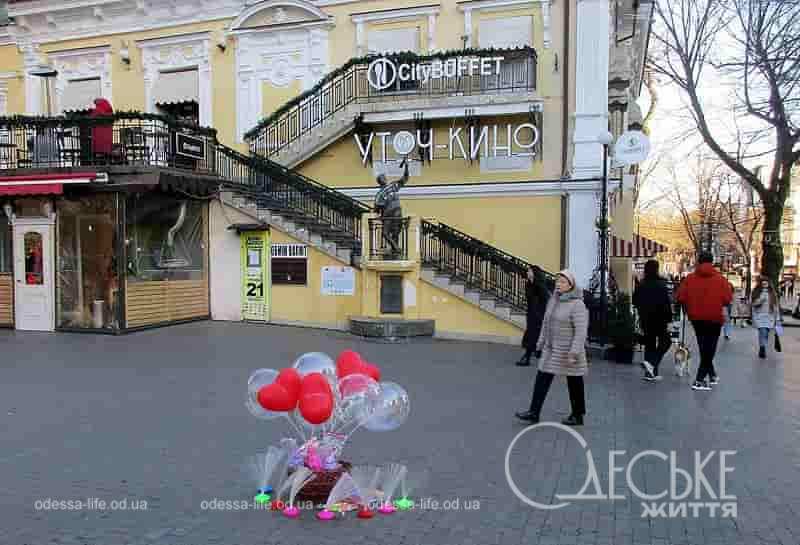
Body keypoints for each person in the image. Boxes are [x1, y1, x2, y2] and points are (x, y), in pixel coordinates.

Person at [515, 270, 589, 426]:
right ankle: (534, 412)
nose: (559, 285)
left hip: (569, 351)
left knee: (574, 382)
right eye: (557, 281)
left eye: (562, 282)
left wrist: (574, 353)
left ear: (571, 285)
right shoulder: (554, 300)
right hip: (552, 349)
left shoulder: (577, 304)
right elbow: (546, 324)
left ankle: (578, 414)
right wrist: (540, 343)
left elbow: (581, 332)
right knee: (542, 377)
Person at [676, 252, 733, 391]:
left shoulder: (689, 279)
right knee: (710, 348)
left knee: (703, 346)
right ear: (712, 261)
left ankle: (712, 374)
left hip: (696, 318)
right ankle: (699, 380)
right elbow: (727, 298)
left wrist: (688, 309)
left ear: (698, 261)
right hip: (714, 318)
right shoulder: (721, 279)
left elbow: (680, 297)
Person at [632, 259, 673, 382]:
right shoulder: (661, 285)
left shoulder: (642, 284)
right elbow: (666, 304)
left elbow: (635, 300)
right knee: (666, 342)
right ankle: (652, 364)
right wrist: (669, 319)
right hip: (660, 319)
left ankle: (650, 373)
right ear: (657, 269)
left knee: (649, 344)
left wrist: (642, 309)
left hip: (645, 319)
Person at [516, 266, 551, 366]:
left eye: (529, 271)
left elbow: (545, 298)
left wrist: (540, 313)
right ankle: (535, 354)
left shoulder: (540, 285)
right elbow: (529, 299)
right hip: (531, 313)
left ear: (534, 273)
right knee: (533, 334)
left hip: (539, 314)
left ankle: (527, 357)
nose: (527, 272)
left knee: (534, 334)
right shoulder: (528, 284)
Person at [750, 276, 779, 359]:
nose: (764, 285)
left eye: (766, 283)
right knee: (762, 332)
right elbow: (752, 304)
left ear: (769, 284)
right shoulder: (756, 292)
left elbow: (775, 305)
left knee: (765, 333)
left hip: (769, 316)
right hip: (759, 315)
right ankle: (762, 348)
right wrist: (759, 301)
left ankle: (762, 345)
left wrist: (777, 318)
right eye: (763, 284)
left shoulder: (772, 293)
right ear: (760, 284)